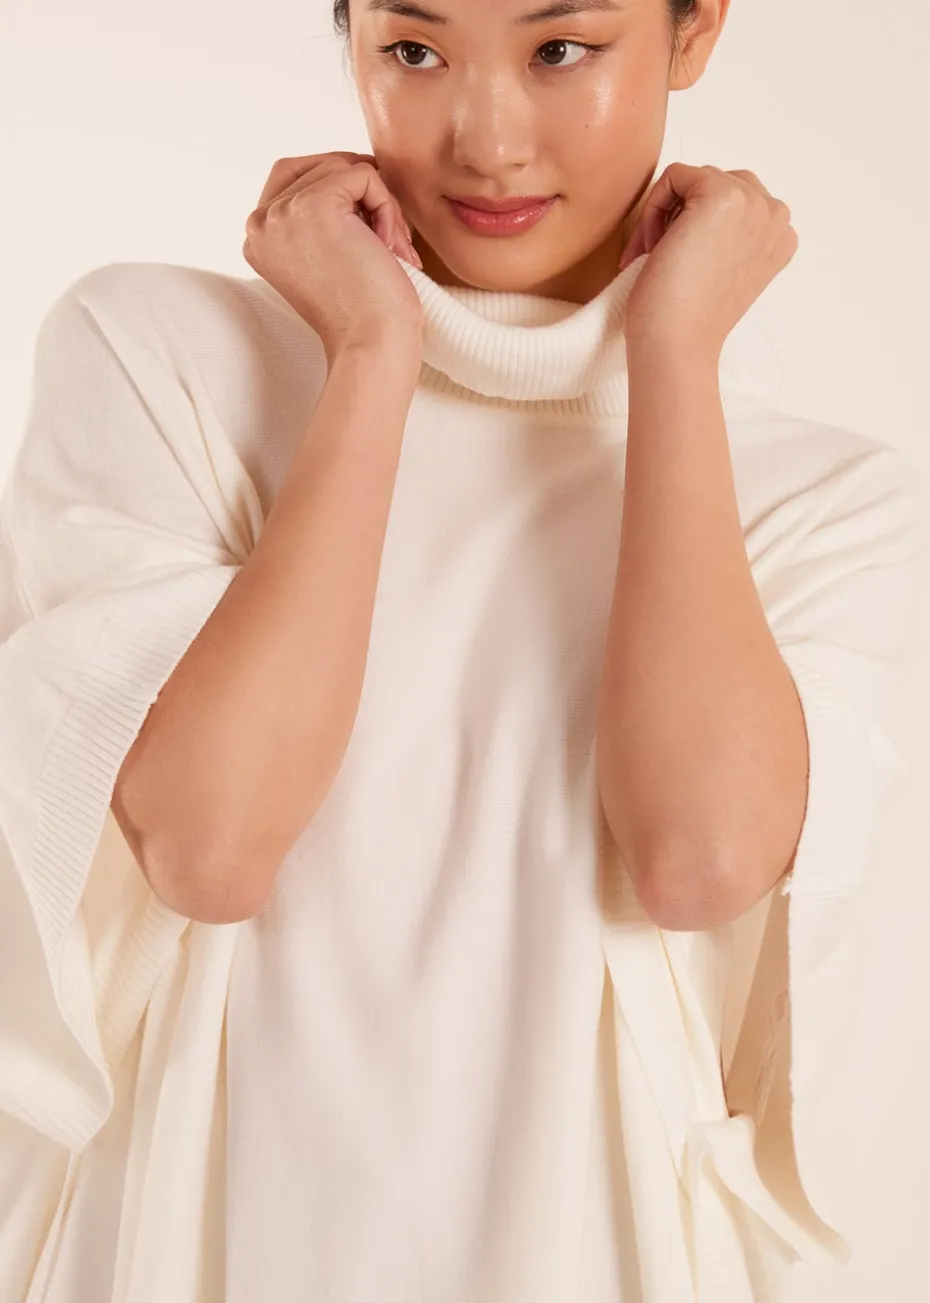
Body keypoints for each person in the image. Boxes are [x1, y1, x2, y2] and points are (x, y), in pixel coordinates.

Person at [0, 1, 927, 1300]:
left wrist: (670, 356)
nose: (487, 142)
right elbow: (211, 846)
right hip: (204, 1236)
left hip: (597, 1248)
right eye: (415, 51)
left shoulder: (821, 497)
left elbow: (696, 858)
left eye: (561, 49)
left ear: (693, 31)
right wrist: (371, 351)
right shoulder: (165, 358)